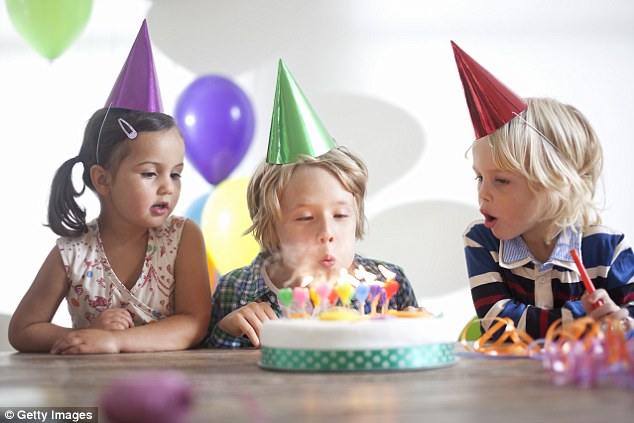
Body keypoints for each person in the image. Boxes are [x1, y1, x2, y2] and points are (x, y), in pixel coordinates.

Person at [8, 20, 211, 354]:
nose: (167, 188)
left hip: (169, 391)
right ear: (102, 179)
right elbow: (23, 329)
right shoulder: (72, 252)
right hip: (92, 393)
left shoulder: (183, 237)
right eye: (150, 174)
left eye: (175, 174)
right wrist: (87, 335)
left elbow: (193, 323)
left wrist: (116, 341)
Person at [203, 60, 419, 348]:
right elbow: (210, 376)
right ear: (270, 229)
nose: (327, 232)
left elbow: (416, 361)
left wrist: (420, 330)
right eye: (305, 217)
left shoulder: (388, 287)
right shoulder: (234, 291)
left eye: (341, 215)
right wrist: (225, 332)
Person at [452, 41, 634, 339]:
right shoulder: (482, 241)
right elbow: (499, 325)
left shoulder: (607, 250)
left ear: (557, 183)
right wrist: (584, 318)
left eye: (501, 180)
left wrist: (619, 323)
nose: (482, 194)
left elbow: (626, 325)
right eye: (479, 178)